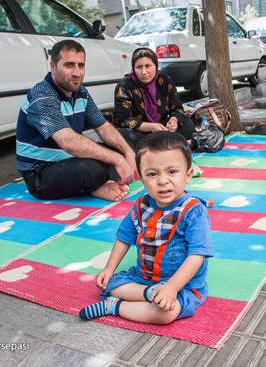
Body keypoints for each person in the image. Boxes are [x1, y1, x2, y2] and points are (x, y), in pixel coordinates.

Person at [79, 131, 213, 324]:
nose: (163, 180)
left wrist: (171, 288)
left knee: (167, 312)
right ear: (141, 180)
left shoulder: (194, 211)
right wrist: (109, 268)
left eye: (172, 171)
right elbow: (125, 236)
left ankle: (114, 306)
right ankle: (148, 294)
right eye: (152, 174)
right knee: (110, 283)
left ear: (188, 174)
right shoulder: (142, 204)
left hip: (182, 286)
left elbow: (197, 255)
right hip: (144, 280)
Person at [16, 40, 136, 202]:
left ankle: (103, 184)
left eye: (81, 65)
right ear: (53, 66)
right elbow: (68, 142)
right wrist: (118, 159)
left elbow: (103, 127)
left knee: (124, 141)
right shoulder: (42, 96)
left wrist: (128, 154)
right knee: (92, 168)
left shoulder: (81, 92)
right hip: (41, 174)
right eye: (69, 65)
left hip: (69, 160)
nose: (77, 73)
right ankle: (98, 184)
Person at [113, 47, 197, 149]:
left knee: (188, 125)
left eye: (148, 66)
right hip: (141, 131)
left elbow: (177, 108)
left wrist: (174, 120)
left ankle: (157, 146)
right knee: (122, 135)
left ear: (155, 65)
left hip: (162, 128)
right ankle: (171, 144)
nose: (144, 72)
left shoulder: (165, 81)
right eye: (139, 67)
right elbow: (123, 120)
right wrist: (151, 127)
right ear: (133, 68)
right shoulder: (125, 85)